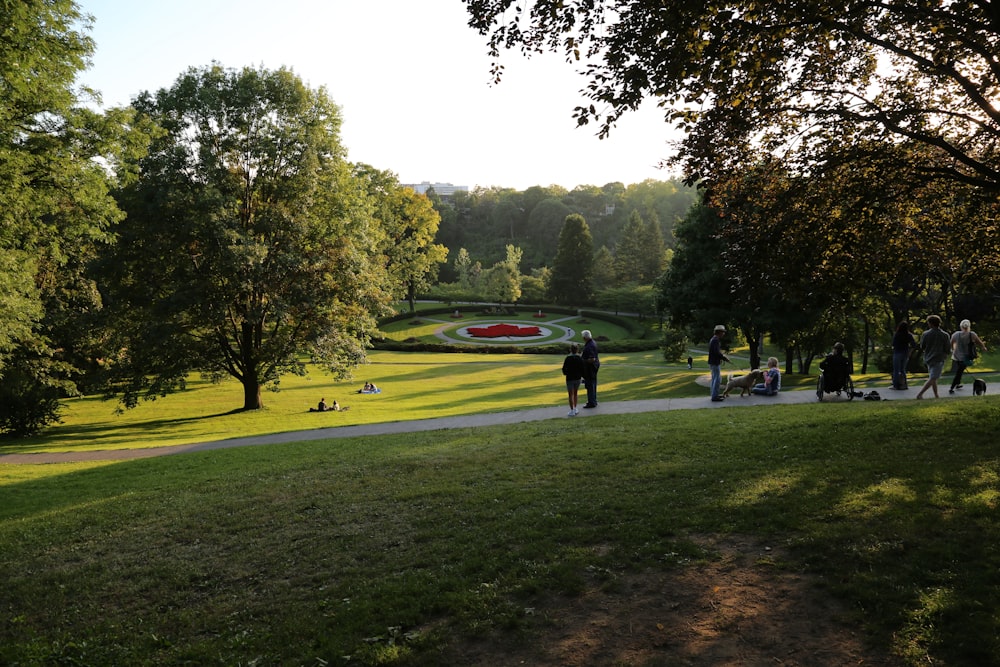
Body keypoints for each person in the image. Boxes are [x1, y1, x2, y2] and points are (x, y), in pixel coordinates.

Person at [915, 315, 952, 399]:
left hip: (928, 358)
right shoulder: (945, 335)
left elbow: (922, 346)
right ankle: (920, 394)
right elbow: (947, 348)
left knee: (933, 377)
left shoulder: (925, 334)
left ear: (930, 324)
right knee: (933, 378)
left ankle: (936, 395)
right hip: (939, 359)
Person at [949, 319, 987, 393]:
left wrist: (952, 350)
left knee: (959, 371)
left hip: (956, 356)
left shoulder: (956, 334)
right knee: (959, 372)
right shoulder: (972, 334)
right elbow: (979, 342)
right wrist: (983, 347)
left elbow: (951, 344)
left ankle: (957, 384)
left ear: (961, 326)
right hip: (967, 358)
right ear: (969, 326)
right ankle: (952, 387)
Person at [561, 343, 586, 416]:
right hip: (577, 378)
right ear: (577, 350)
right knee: (575, 393)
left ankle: (572, 409)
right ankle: (575, 408)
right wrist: (583, 376)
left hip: (570, 378)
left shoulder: (568, 358)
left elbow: (564, 368)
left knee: (570, 394)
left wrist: (566, 373)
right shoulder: (579, 358)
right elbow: (582, 368)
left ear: (570, 350)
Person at [891, 321, 916, 390]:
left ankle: (896, 385)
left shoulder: (897, 334)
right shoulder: (909, 335)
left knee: (896, 370)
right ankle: (904, 384)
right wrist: (910, 352)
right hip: (905, 353)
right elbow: (914, 345)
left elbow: (893, 344)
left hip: (897, 352)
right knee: (903, 370)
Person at [708, 325, 731, 402]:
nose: (723, 333)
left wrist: (722, 357)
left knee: (715, 378)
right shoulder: (715, 340)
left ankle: (714, 394)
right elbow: (716, 353)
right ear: (719, 332)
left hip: (713, 362)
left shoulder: (714, 339)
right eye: (723, 332)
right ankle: (714, 396)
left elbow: (716, 352)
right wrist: (724, 358)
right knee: (717, 379)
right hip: (715, 362)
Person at [581, 330, 600, 408]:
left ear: (585, 337)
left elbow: (592, 359)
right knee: (593, 383)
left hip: (590, 368)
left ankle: (591, 402)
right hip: (594, 367)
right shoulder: (593, 343)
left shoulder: (589, 346)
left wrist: (583, 361)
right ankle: (593, 400)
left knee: (590, 384)